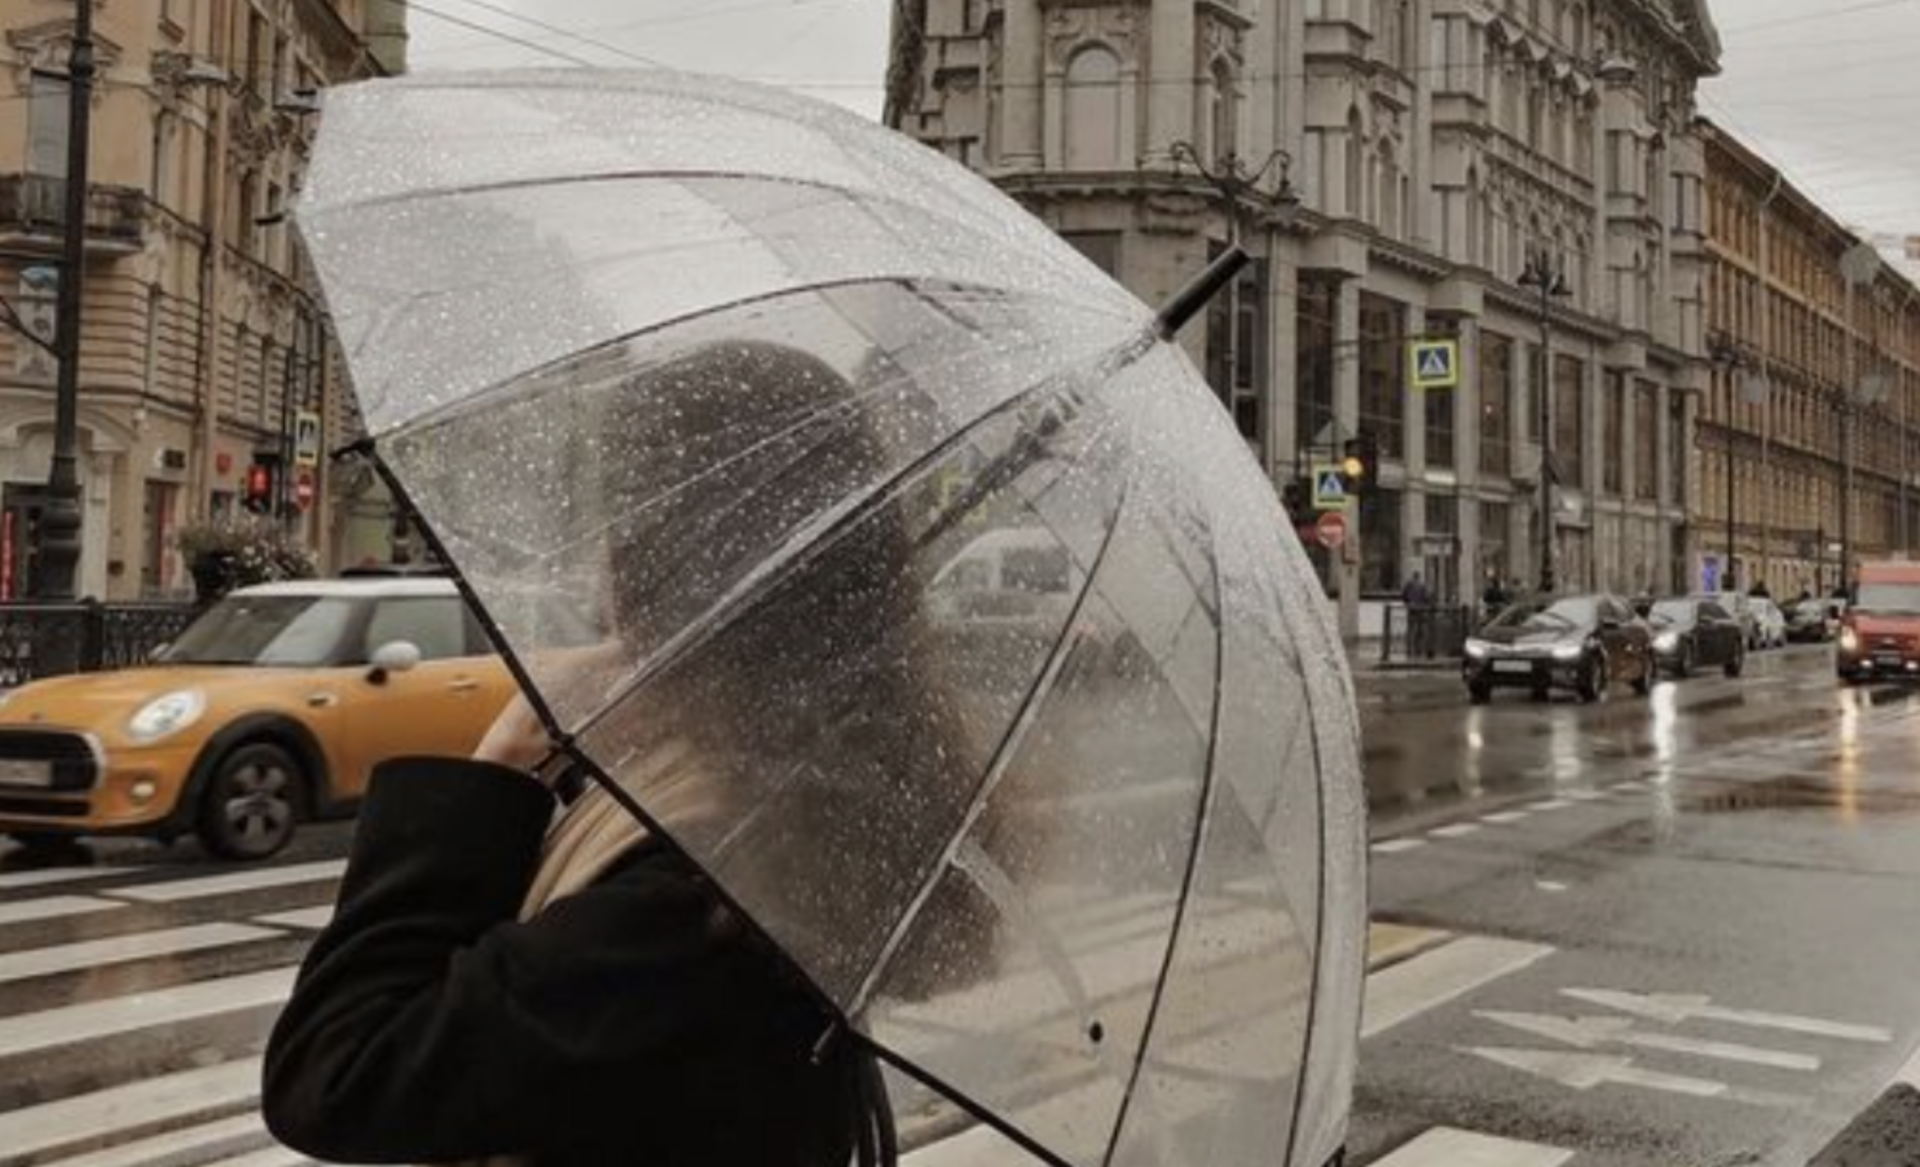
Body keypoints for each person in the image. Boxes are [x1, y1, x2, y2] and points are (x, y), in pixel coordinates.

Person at [260, 341, 969, 1167]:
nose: (596, 555)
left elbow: (342, 1072)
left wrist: (496, 768)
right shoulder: (801, 805)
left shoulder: (698, 893)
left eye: (617, 518)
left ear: (670, 550)